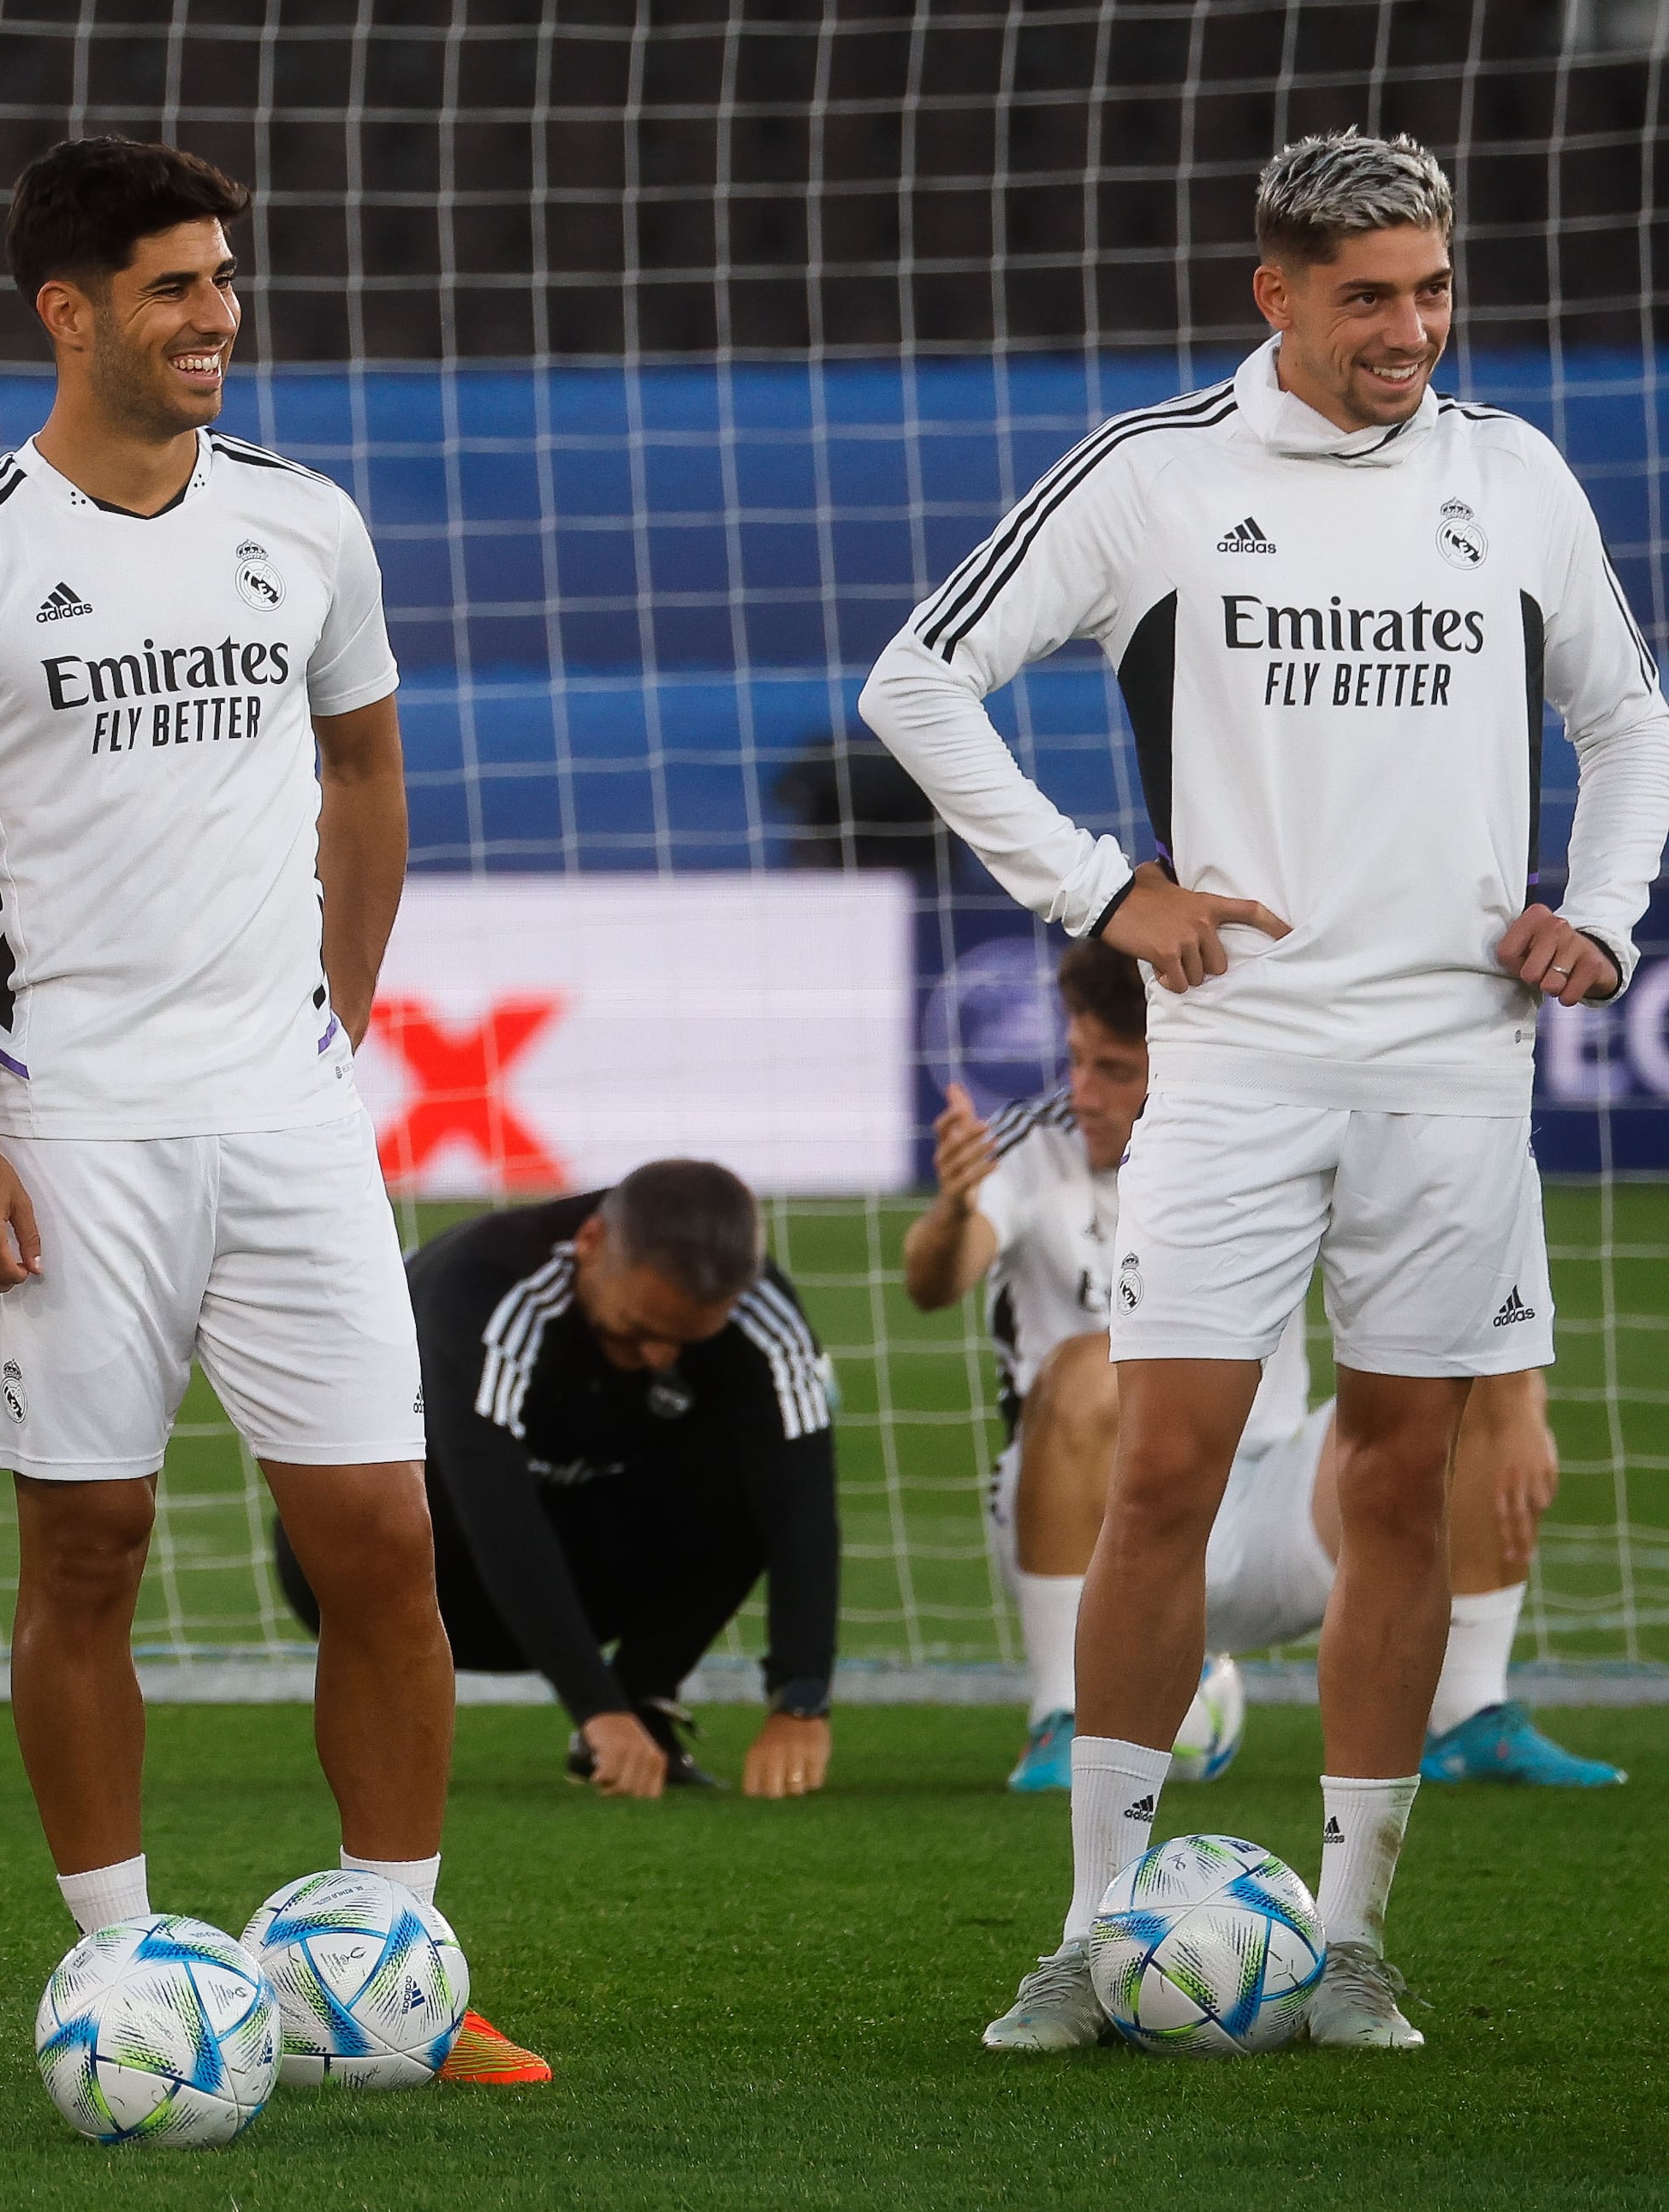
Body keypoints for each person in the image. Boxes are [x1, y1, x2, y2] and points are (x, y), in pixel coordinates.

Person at [857, 129, 1669, 2053]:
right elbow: (919, 681)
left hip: (1453, 1068)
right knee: (1159, 1471)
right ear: (1277, 295)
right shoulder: (1153, 479)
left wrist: (1607, 919)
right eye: (1369, 295)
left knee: (1403, 1483)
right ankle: (1088, 1926)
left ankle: (1360, 1935)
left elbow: (1625, 718)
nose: (1410, 330)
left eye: (1432, 290)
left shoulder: (1511, 477)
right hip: (1235, 1058)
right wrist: (1100, 890)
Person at [0, 134, 546, 2084]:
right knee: (88, 1553)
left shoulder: (304, 524)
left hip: (288, 1115)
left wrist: (332, 1018)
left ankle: (397, 1965)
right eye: (171, 285)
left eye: (222, 277)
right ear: (64, 312)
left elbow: (366, 770)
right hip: (66, 1125)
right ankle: (120, 1965)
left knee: (381, 1542)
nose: (214, 315)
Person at [905, 939, 1608, 1791]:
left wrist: (1516, 1399)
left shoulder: (1270, 1136)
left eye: (1116, 1071)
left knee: (1469, 1362)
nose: (1082, 1093)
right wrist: (948, 1213)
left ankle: (1467, 1716)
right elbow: (932, 1282)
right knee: (1094, 1364)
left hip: (1272, 1503)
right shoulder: (1029, 1146)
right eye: (1077, 1060)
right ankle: (1062, 1715)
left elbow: (1448, 1248)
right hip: (1096, 1523)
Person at [304, 1160, 839, 1804]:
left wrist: (802, 1698)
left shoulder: (758, 1311)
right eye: (638, 1331)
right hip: (417, 1576)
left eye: (685, 1341)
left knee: (764, 1450)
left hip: (588, 1563)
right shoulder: (483, 1288)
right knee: (396, 1517)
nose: (659, 1359)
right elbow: (497, 1514)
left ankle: (646, 1697)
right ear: (590, 1245)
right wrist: (595, 1706)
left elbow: (802, 1500)